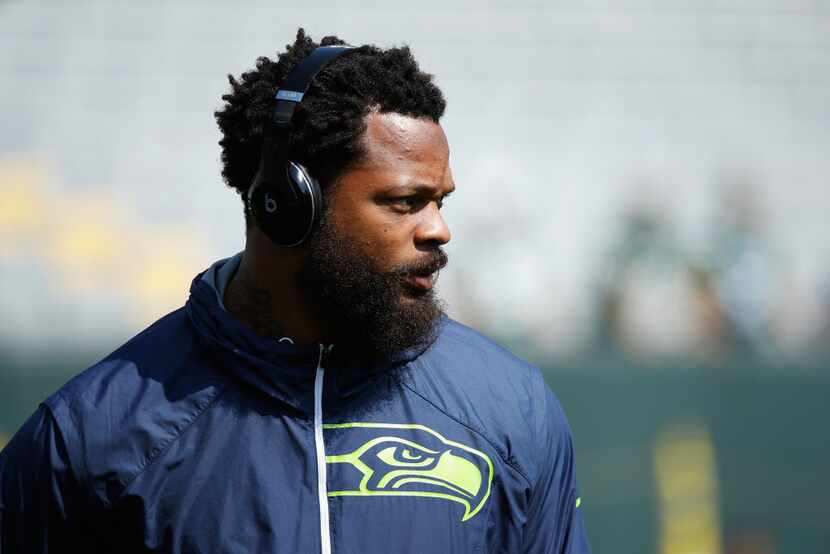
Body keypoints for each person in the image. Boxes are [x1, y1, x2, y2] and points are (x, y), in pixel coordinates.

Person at [0, 29, 591, 553]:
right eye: (405, 202)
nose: (439, 230)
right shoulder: (87, 436)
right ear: (287, 207)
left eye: (440, 201)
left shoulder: (513, 408)